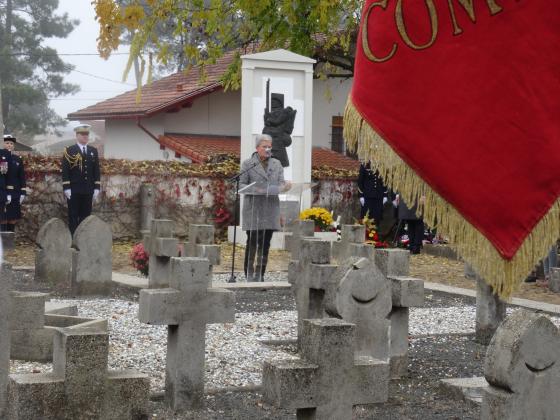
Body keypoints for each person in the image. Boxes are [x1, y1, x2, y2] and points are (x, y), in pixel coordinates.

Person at [240, 134, 289, 282]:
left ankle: (260, 273)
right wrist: (257, 190)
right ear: (257, 148)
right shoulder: (248, 164)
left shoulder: (277, 164)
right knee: (252, 241)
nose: (267, 149)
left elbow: (281, 183)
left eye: (269, 147)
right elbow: (241, 184)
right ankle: (249, 273)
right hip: (254, 208)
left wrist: (285, 187)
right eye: (264, 147)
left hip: (270, 208)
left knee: (266, 243)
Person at [61, 124, 100, 235]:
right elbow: (65, 170)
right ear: (77, 135)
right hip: (74, 189)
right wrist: (66, 187)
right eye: (82, 134)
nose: (85, 136)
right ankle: (74, 239)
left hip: (88, 190)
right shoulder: (69, 150)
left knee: (86, 216)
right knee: (73, 215)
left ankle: (84, 239)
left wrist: (97, 187)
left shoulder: (93, 151)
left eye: (87, 134)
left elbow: (96, 170)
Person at [1, 135, 26, 233]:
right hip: (3, 192)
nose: (9, 145)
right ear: (3, 144)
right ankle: (2, 243)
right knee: (2, 218)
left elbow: (21, 176)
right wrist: (6, 192)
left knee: (13, 217)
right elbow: (3, 176)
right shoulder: (1, 157)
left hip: (15, 192)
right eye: (7, 143)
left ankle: (9, 243)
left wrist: (23, 192)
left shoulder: (17, 159)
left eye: (11, 143)